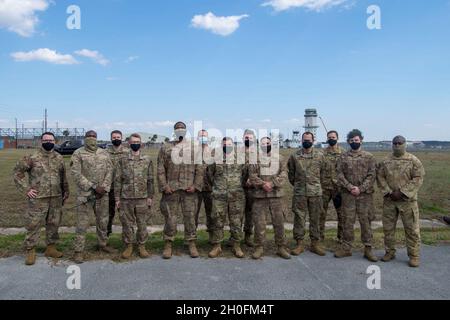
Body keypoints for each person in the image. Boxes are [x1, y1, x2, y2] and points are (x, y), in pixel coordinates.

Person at [13, 132, 69, 266]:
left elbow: (63, 177)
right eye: (45, 140)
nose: (48, 142)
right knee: (34, 224)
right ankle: (30, 249)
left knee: (54, 223)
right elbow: (17, 173)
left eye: (51, 140)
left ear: (55, 141)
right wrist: (26, 189)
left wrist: (66, 191)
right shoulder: (32, 157)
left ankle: (50, 248)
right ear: (41, 141)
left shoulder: (59, 157)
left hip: (55, 196)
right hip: (38, 198)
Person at [157, 122, 204, 259]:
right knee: (170, 218)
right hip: (171, 190)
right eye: (177, 129)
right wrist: (164, 186)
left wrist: (195, 185)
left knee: (190, 218)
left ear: (186, 131)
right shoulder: (166, 148)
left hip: (189, 190)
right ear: (174, 131)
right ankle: (168, 243)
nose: (180, 131)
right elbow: (160, 169)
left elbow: (200, 169)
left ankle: (191, 243)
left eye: (182, 129)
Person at [377, 135, 425, 267]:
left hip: (407, 201)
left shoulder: (413, 160)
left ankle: (414, 255)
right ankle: (390, 252)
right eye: (395, 143)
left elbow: (418, 178)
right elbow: (380, 177)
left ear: (405, 144)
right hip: (390, 200)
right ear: (392, 145)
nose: (397, 145)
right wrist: (388, 192)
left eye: (400, 143)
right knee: (388, 229)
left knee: (412, 229)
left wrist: (402, 192)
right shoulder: (385, 161)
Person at [71, 130, 115, 264]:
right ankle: (78, 251)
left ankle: (102, 244)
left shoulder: (104, 153)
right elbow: (75, 173)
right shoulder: (78, 153)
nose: (91, 139)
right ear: (85, 138)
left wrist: (104, 187)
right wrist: (93, 187)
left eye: (94, 136)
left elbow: (110, 171)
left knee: (102, 220)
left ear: (97, 138)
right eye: (89, 136)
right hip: (85, 195)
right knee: (82, 223)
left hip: (102, 194)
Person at [335, 129, 378, 262]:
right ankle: (347, 248)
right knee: (348, 221)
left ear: (361, 140)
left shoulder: (369, 157)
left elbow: (372, 175)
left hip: (364, 196)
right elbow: (339, 174)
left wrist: (360, 188)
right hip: (348, 195)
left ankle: (368, 248)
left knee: (366, 221)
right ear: (348, 142)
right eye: (352, 140)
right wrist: (350, 187)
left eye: (356, 140)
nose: (354, 142)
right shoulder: (343, 157)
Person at [248, 137, 291, 260]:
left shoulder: (280, 158)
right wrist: (263, 184)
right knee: (259, 223)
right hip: (260, 196)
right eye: (262, 144)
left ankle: (281, 247)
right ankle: (259, 247)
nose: (265, 145)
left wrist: (272, 184)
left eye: (267, 143)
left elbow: (284, 173)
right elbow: (252, 175)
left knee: (279, 223)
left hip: (276, 196)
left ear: (271, 144)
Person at [115, 133, 154, 260]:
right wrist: (117, 199)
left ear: (141, 144)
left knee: (142, 223)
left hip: (142, 198)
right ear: (128, 144)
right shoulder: (122, 160)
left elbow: (150, 180)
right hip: (126, 198)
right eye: (133, 142)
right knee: (127, 224)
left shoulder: (147, 160)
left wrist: (150, 197)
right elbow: (117, 181)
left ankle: (142, 245)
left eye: (137, 142)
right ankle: (129, 246)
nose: (135, 144)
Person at [288, 132, 326, 257]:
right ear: (301, 140)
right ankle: (299, 244)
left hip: (315, 193)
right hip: (300, 193)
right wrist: (299, 185)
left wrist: (315, 185)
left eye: (309, 140)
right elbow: (291, 175)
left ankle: (315, 243)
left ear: (313, 140)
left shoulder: (320, 156)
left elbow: (324, 174)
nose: (307, 141)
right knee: (299, 218)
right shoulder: (294, 156)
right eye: (305, 139)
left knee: (315, 218)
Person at [208, 137, 247, 259]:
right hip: (219, 196)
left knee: (236, 222)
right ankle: (217, 246)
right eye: (225, 144)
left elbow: (245, 175)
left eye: (229, 144)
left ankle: (236, 245)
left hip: (236, 197)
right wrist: (218, 188)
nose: (227, 146)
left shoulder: (240, 159)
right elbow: (209, 175)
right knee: (217, 221)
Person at [320, 130, 344, 242]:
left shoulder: (343, 154)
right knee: (321, 213)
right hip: (324, 188)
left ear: (337, 138)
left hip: (338, 189)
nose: (331, 139)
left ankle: (341, 237)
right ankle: (319, 237)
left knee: (341, 213)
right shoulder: (322, 153)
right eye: (329, 137)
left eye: (333, 137)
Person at [107, 130, 129, 237]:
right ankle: (107, 233)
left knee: (124, 213)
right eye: (114, 137)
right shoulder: (105, 152)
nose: (116, 139)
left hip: (123, 188)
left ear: (122, 138)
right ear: (111, 139)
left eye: (118, 137)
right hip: (109, 188)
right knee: (108, 212)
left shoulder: (127, 152)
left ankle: (127, 236)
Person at [195, 129, 214, 243]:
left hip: (210, 188)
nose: (203, 138)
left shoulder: (213, 152)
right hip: (195, 189)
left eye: (205, 136)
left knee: (211, 213)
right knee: (193, 213)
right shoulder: (193, 152)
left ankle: (212, 236)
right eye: (201, 136)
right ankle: (192, 237)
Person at [242, 129, 257, 247]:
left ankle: (248, 236)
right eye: (246, 138)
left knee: (250, 213)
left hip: (253, 189)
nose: (248, 140)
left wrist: (253, 180)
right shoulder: (237, 153)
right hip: (238, 188)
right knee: (236, 214)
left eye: (250, 138)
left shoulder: (259, 154)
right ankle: (234, 237)